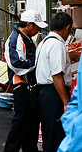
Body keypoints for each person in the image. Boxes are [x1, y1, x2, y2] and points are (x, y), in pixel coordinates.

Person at [3, 9, 47, 152]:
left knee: (31, 123)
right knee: (21, 122)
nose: (38, 29)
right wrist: (36, 64)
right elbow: (16, 64)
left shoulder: (27, 38)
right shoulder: (15, 38)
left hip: (30, 88)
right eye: (37, 26)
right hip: (22, 87)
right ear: (29, 25)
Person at [35, 12, 73, 152]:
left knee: (48, 134)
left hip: (44, 94)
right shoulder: (57, 44)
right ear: (67, 28)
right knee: (56, 135)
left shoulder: (43, 42)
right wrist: (65, 102)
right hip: (53, 93)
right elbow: (57, 76)